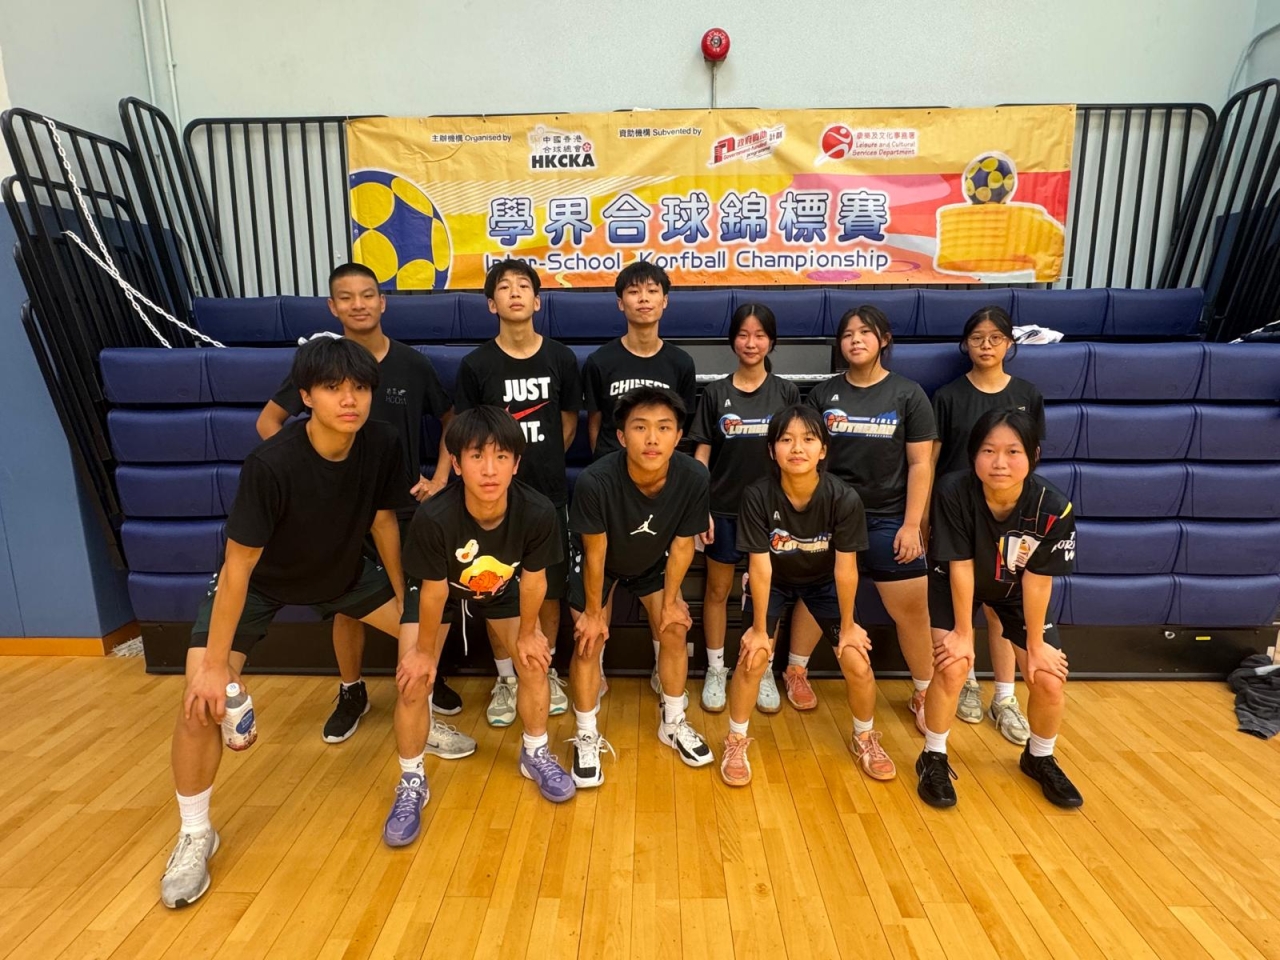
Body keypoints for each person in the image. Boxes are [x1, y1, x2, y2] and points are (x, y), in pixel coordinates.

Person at [162, 337, 408, 908]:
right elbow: (239, 566)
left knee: (429, 634)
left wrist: (409, 607)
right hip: (261, 584)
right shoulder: (271, 463)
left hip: (341, 574)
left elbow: (383, 523)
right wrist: (215, 666)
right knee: (199, 701)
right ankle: (195, 834)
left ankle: (418, 729)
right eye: (333, 388)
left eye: (360, 387)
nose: (349, 399)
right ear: (306, 396)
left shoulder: (382, 443)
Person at [255, 263, 461, 742]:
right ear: (332, 307)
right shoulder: (320, 366)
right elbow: (268, 423)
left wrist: (440, 477)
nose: (358, 304)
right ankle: (351, 690)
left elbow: (452, 420)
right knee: (347, 604)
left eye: (368, 294)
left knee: (423, 599)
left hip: (403, 508)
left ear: (382, 301)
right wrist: (308, 479)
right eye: (346, 297)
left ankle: (427, 678)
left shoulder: (412, 364)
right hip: (342, 513)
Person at [387, 407, 573, 844]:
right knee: (413, 681)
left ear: (516, 463)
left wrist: (528, 634)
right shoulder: (435, 517)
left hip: (502, 587)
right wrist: (423, 654)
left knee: (533, 662)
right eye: (476, 456)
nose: (489, 469)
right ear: (456, 464)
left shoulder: (537, 510)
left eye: (501, 456)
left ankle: (535, 753)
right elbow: (433, 592)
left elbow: (534, 581)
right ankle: (412, 780)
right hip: (440, 591)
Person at [723, 406, 895, 786]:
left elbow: (846, 568)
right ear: (772, 450)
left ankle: (864, 737)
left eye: (808, 439)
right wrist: (758, 631)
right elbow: (760, 567)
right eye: (786, 439)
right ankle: (735, 740)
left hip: (823, 582)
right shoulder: (757, 495)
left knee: (857, 661)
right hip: (774, 581)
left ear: (823, 449)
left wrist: (848, 627)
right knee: (753, 659)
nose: (797, 448)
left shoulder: (843, 498)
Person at [920, 408, 1082, 809]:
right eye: (989, 451)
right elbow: (960, 566)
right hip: (955, 580)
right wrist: (963, 633)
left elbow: (1037, 580)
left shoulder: (1053, 508)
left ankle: (1039, 757)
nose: (1000, 463)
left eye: (1013, 452)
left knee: (1047, 677)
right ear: (974, 455)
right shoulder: (953, 491)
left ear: (1033, 455)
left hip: (1016, 591)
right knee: (953, 665)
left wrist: (1036, 645)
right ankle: (933, 756)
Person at [454, 258, 581, 728]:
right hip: (493, 500)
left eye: (523, 286)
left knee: (547, 591)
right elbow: (468, 432)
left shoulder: (561, 358)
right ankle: (507, 679)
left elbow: (567, 424)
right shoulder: (476, 365)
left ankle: (542, 672)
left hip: (548, 496)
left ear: (537, 300)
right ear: (492, 304)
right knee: (494, 590)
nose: (514, 293)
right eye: (504, 287)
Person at [567, 387, 712, 786]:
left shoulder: (694, 476)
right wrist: (593, 613)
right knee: (589, 639)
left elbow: (683, 545)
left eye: (663, 428)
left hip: (652, 561)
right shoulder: (595, 481)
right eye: (640, 427)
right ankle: (585, 733)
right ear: (621, 436)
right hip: (600, 563)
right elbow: (595, 552)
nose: (652, 438)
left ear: (678, 436)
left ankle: (673, 722)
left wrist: (671, 600)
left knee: (674, 627)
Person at [805, 305, 937, 732]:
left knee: (912, 610)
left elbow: (920, 464)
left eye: (865, 332)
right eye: (847, 334)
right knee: (812, 593)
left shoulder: (908, 394)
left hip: (888, 519)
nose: (855, 340)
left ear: (884, 339)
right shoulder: (823, 395)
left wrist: (912, 525)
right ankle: (795, 670)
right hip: (829, 518)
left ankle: (923, 690)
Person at [931, 305, 1046, 744]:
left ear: (1009, 344)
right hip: (958, 515)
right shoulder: (948, 396)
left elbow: (1030, 459)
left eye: (995, 337)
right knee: (962, 603)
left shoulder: (1027, 394)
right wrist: (924, 517)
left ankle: (1004, 696)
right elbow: (932, 459)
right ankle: (967, 683)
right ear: (966, 344)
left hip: (1009, 517)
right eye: (977, 338)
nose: (985, 345)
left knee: (1002, 606)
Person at [583, 261, 697, 701]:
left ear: (665, 301)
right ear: (620, 303)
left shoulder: (680, 362)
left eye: (652, 291)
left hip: (659, 491)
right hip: (612, 489)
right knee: (600, 568)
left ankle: (661, 668)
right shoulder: (601, 360)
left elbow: (681, 428)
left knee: (663, 590)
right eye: (634, 292)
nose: (643, 299)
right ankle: (596, 670)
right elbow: (596, 423)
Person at [689, 303, 800, 714]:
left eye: (759, 335)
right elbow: (702, 456)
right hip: (723, 510)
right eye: (743, 334)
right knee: (717, 591)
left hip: (772, 514)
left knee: (765, 594)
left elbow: (796, 455)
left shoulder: (786, 392)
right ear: (732, 340)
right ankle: (717, 668)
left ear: (772, 341)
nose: (751, 343)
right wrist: (701, 507)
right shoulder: (715, 393)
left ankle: (761, 666)